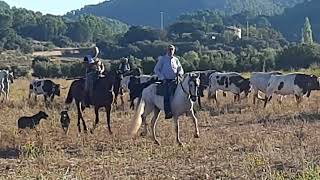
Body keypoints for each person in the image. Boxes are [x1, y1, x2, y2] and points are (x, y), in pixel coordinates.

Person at [154, 44, 184, 119]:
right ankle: (168, 112)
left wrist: (179, 73)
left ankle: (183, 108)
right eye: (169, 49)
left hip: (175, 80)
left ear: (174, 51)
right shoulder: (162, 59)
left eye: (172, 50)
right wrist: (162, 77)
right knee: (167, 95)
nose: (170, 51)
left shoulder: (176, 59)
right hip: (166, 80)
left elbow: (180, 69)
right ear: (167, 50)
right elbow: (156, 69)